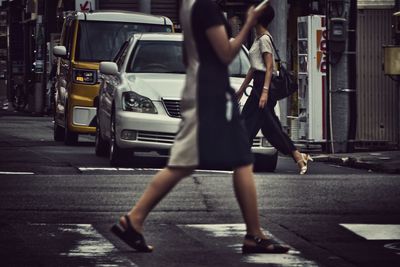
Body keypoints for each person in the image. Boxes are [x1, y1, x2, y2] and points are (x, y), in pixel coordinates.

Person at [110, 0, 289, 254]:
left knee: (184, 163)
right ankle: (254, 235)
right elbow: (226, 54)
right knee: (241, 158)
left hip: (199, 89)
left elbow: (187, 54)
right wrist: (248, 22)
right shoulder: (207, 8)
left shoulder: (190, 7)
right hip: (212, 93)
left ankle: (134, 219)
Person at [236, 5, 313, 175]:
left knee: (247, 123)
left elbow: (269, 67)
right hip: (258, 84)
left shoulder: (264, 39)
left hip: (262, 86)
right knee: (270, 128)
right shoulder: (258, 38)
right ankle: (298, 156)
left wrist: (264, 92)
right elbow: (253, 68)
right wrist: (242, 89)